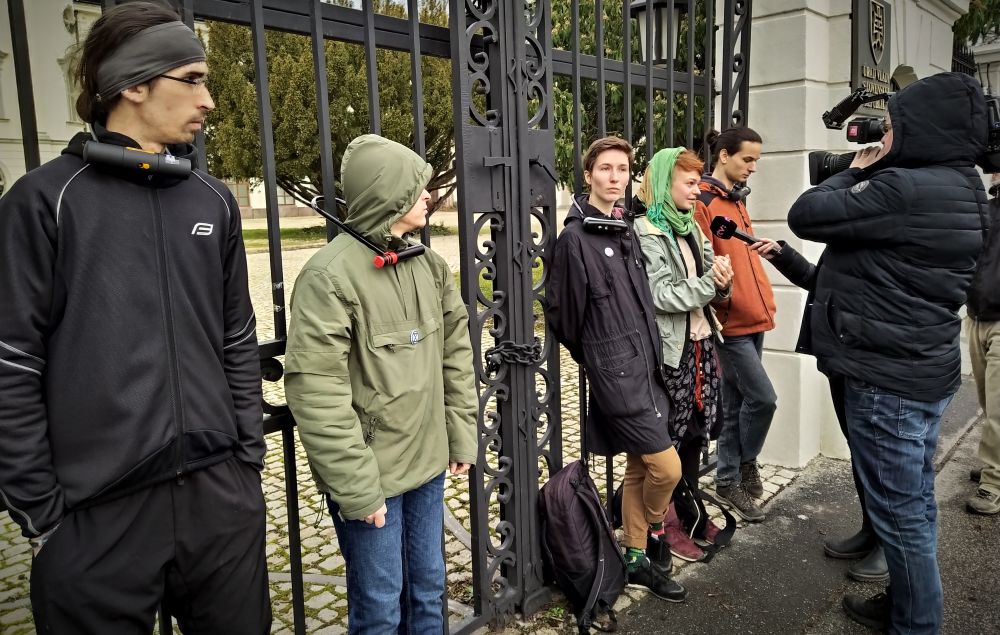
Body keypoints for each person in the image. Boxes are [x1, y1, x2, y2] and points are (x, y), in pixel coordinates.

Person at [0, 2, 272, 632]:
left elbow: (237, 338)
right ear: (133, 84)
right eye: (194, 79)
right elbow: (11, 364)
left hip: (219, 503)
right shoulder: (44, 202)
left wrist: (246, 464)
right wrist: (44, 516)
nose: (209, 100)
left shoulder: (211, 200)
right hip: (96, 518)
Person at [787, 71, 989, 633]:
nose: (887, 136)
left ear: (924, 129)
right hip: (916, 367)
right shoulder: (964, 183)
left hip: (886, 379)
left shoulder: (903, 189)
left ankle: (916, 623)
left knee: (902, 517)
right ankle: (904, 604)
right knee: (914, 503)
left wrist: (857, 170)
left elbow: (806, 213)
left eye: (896, 125)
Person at [284, 134, 479, 633]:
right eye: (416, 187)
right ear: (385, 193)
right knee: (378, 609)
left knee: (430, 593)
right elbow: (317, 392)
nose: (429, 195)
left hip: (428, 464)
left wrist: (460, 434)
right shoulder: (327, 278)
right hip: (373, 478)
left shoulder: (429, 267)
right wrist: (357, 487)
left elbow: (455, 358)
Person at [546, 136, 686, 602]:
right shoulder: (574, 238)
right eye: (605, 169)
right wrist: (602, 358)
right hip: (617, 376)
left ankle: (633, 558)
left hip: (648, 367)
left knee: (638, 470)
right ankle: (647, 539)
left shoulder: (625, 226)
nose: (614, 178)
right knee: (667, 468)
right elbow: (564, 316)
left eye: (623, 170)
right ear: (588, 175)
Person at [751, 237, 888, 582]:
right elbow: (820, 281)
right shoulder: (849, 239)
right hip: (843, 361)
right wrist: (784, 256)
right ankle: (872, 531)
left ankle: (891, 546)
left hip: (868, 362)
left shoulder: (882, 238)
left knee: (880, 460)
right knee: (862, 454)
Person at [633, 147, 732, 562]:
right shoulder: (645, 231)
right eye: (690, 183)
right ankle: (665, 522)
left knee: (693, 433)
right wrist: (712, 283)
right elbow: (660, 295)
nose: (698, 190)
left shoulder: (690, 225)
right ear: (662, 184)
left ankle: (690, 510)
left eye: (698, 181)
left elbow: (712, 276)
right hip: (671, 352)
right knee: (668, 441)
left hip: (702, 344)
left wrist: (722, 282)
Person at [693, 127, 776, 523]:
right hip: (729, 322)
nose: (753, 167)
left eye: (756, 160)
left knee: (737, 403)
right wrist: (724, 302)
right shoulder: (705, 202)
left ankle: (726, 479)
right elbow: (704, 264)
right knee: (763, 398)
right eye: (747, 159)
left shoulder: (736, 200)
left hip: (754, 315)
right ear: (723, 156)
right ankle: (745, 464)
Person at [965, 172, 1000, 515]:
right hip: (975, 316)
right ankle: (994, 462)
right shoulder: (985, 210)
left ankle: (994, 481)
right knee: (988, 404)